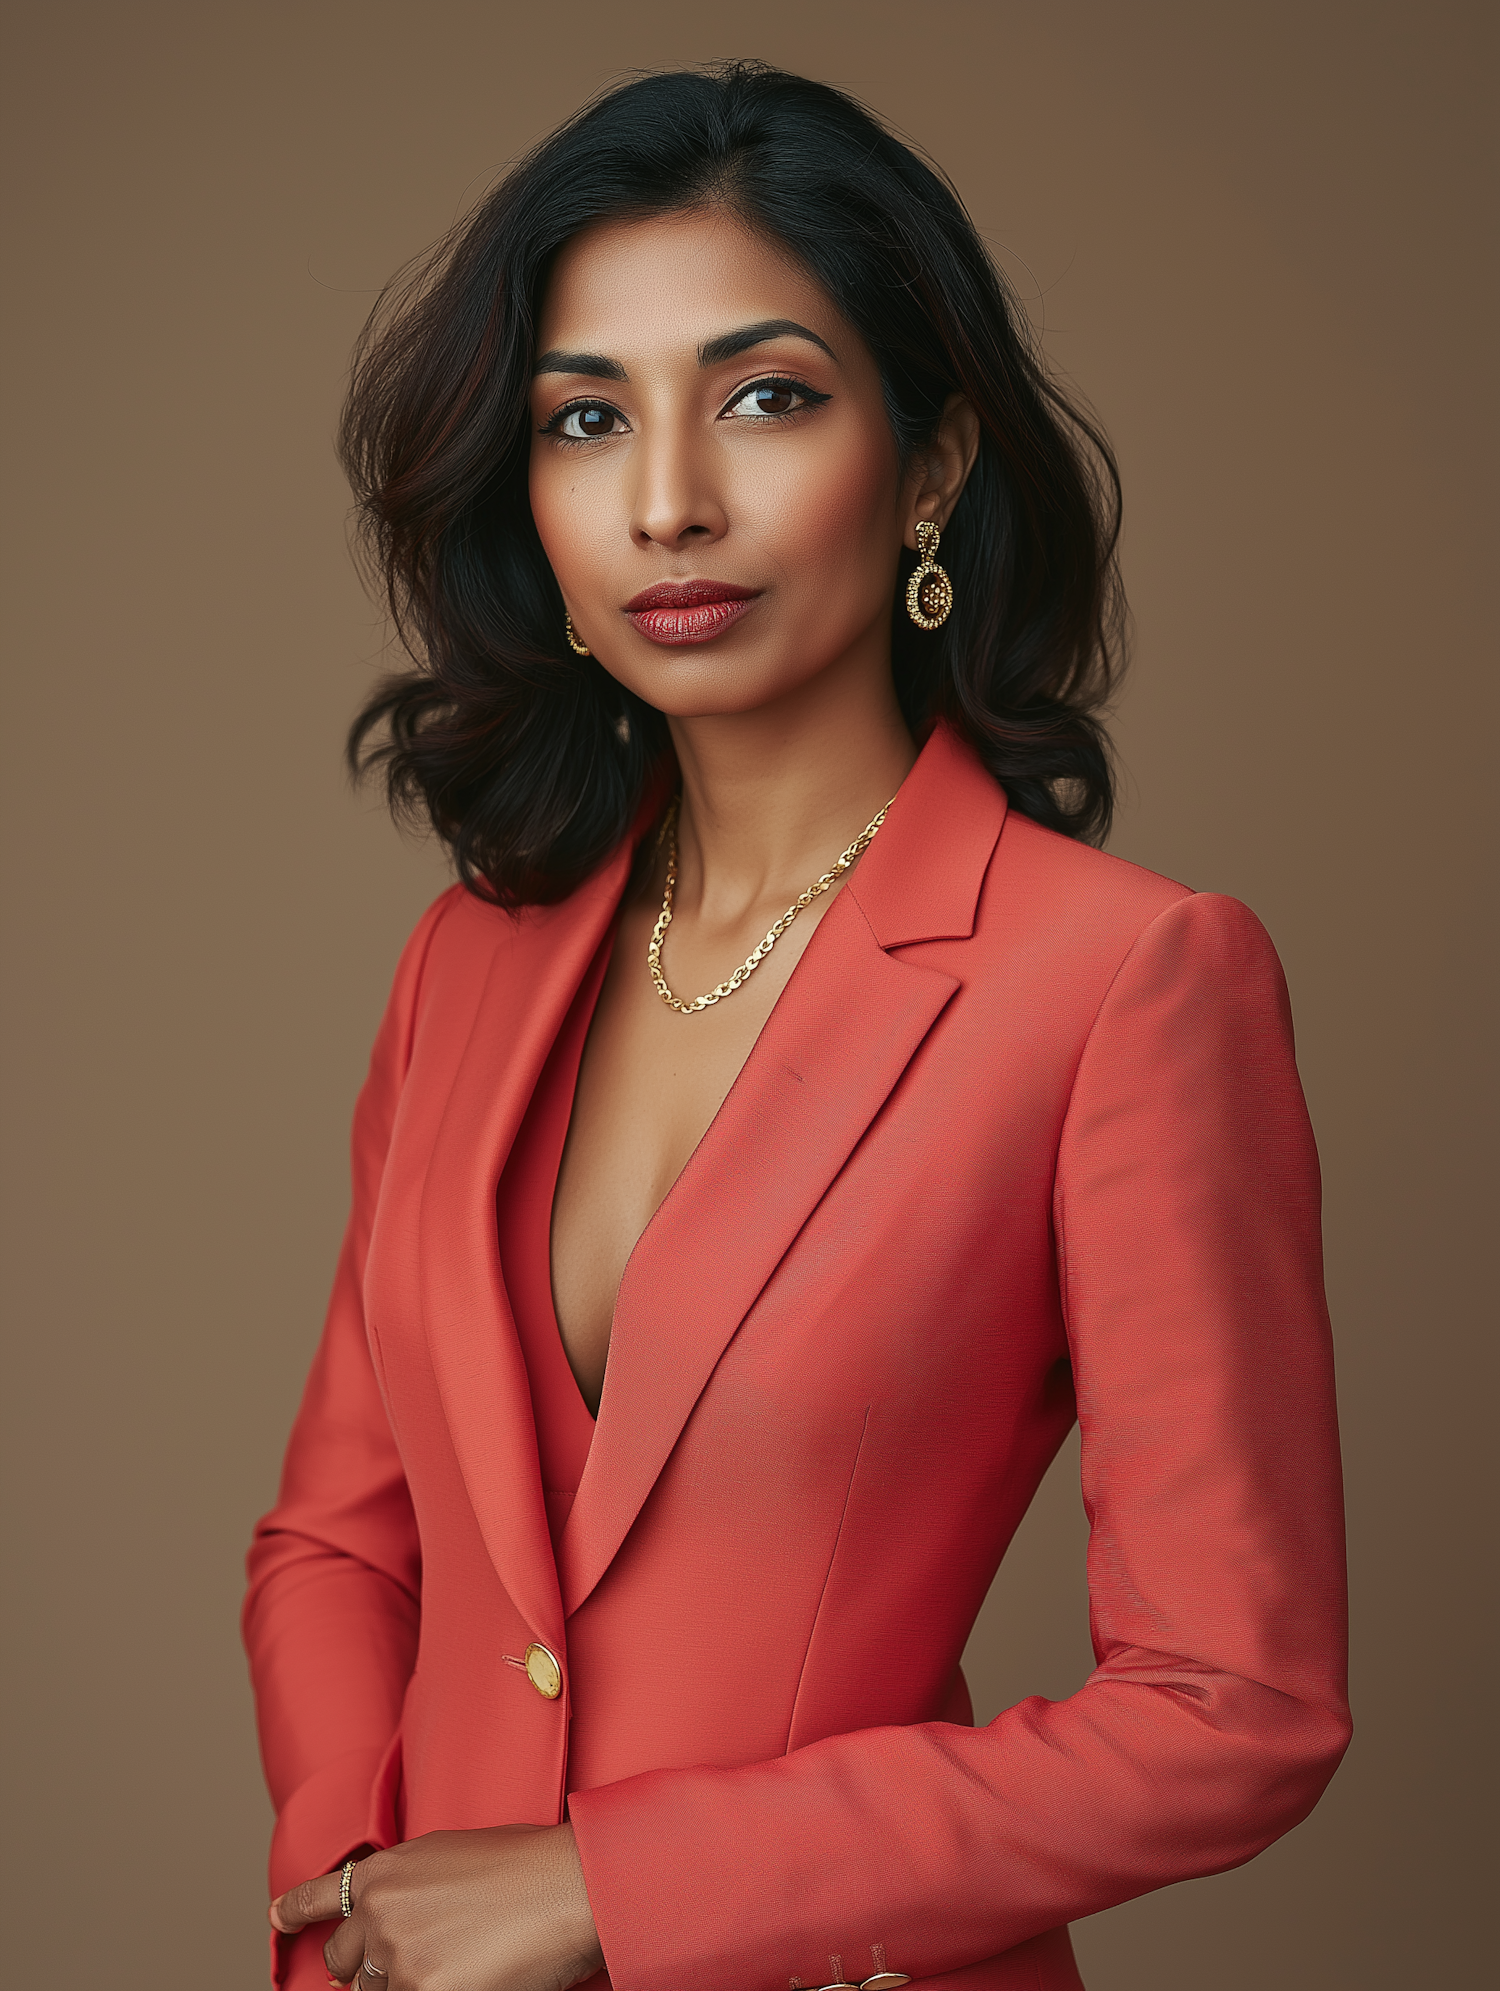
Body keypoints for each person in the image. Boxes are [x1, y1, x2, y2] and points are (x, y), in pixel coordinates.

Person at [245, 62, 1349, 1991]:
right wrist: (353, 1879)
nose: (669, 497)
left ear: (930, 464)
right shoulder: (470, 964)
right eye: (587, 418)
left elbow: (1232, 1698)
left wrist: (614, 1887)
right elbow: (337, 1540)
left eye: (766, 396)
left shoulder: (1125, 983)